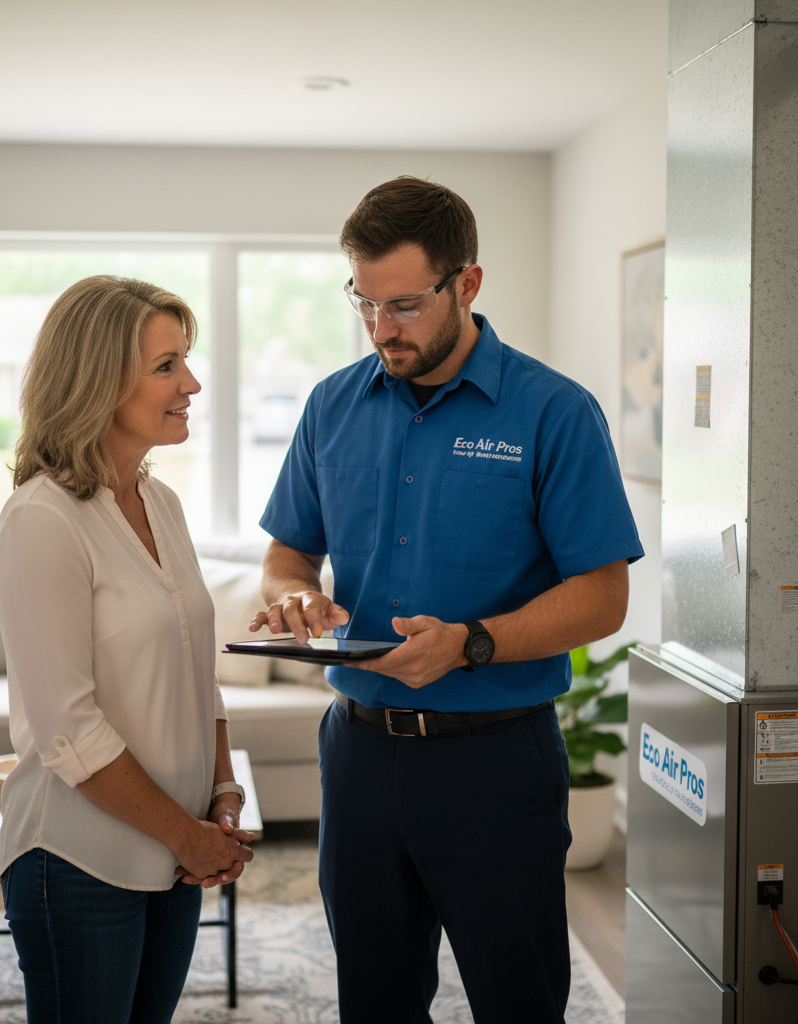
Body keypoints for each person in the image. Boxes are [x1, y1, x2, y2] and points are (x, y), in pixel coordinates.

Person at [252, 177, 644, 1023]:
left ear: (466, 283)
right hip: (357, 757)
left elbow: (603, 596)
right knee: (375, 1001)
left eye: (404, 305)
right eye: (364, 302)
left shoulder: (554, 412)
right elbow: (287, 553)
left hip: (495, 763)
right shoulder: (331, 405)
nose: (380, 329)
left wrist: (471, 643)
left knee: (517, 1001)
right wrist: (294, 595)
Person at [0, 275, 255, 1024]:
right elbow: (68, 729)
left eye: (186, 360)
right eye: (167, 365)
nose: (191, 383)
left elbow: (196, 674)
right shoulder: (42, 520)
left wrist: (222, 795)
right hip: (78, 862)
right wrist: (188, 836)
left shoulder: (162, 505)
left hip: (176, 853)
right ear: (98, 381)